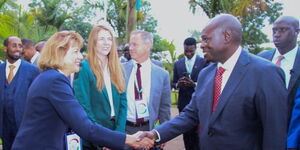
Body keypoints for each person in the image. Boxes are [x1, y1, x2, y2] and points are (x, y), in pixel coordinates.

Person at [138, 14, 288, 150]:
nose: (202, 45)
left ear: (227, 36)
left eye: (206, 39)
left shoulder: (265, 73)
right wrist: (156, 134)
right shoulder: (206, 74)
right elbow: (190, 115)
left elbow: (274, 132)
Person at [11, 31, 153, 150]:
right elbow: (86, 126)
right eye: (76, 51)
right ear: (60, 53)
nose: (80, 56)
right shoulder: (55, 81)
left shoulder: (51, 77)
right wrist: (128, 139)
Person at [73, 24, 127, 150]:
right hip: (93, 138)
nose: (106, 43)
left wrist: (117, 137)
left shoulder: (118, 68)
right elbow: (84, 107)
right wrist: (102, 140)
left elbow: (123, 103)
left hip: (115, 133)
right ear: (93, 42)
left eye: (109, 39)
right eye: (102, 39)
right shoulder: (84, 68)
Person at [123, 30, 171, 149]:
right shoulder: (120, 70)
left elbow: (164, 108)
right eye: (130, 44)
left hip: (149, 131)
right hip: (125, 130)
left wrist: (163, 134)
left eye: (135, 44)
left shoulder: (162, 75)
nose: (130, 48)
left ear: (148, 45)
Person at [0, 36, 40, 150]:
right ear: (5, 48)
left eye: (20, 46)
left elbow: (37, 99)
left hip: (24, 125)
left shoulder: (32, 70)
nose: (18, 49)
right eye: (14, 45)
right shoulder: (0, 69)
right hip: (4, 126)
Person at [172, 37, 207, 150]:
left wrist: (194, 84)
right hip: (183, 104)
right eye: (186, 51)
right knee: (186, 133)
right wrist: (178, 84)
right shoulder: (178, 64)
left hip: (200, 104)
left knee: (198, 133)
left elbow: (208, 83)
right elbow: (173, 83)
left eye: (191, 51)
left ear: (195, 49)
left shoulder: (204, 62)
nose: (188, 54)